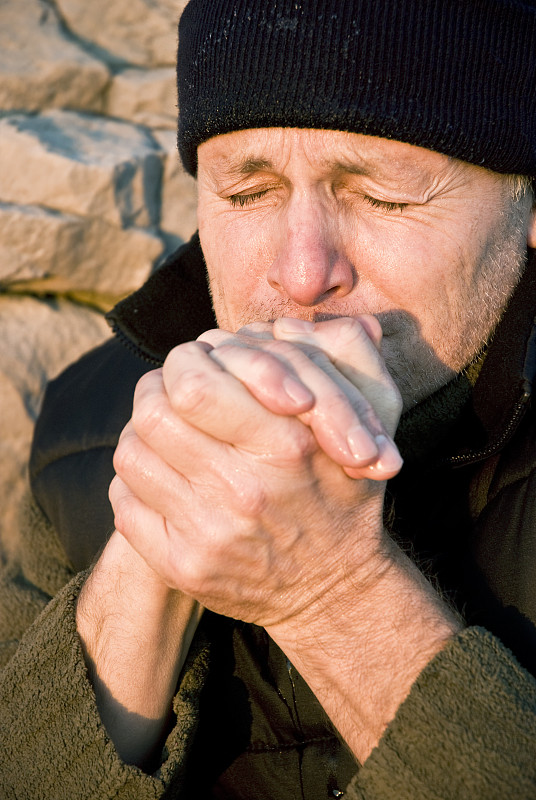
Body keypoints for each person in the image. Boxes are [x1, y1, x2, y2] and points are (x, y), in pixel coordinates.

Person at [2, 0, 536, 797]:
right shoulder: (86, 430)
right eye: (247, 191)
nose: (300, 273)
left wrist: (333, 593)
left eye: (383, 195)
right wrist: (164, 528)